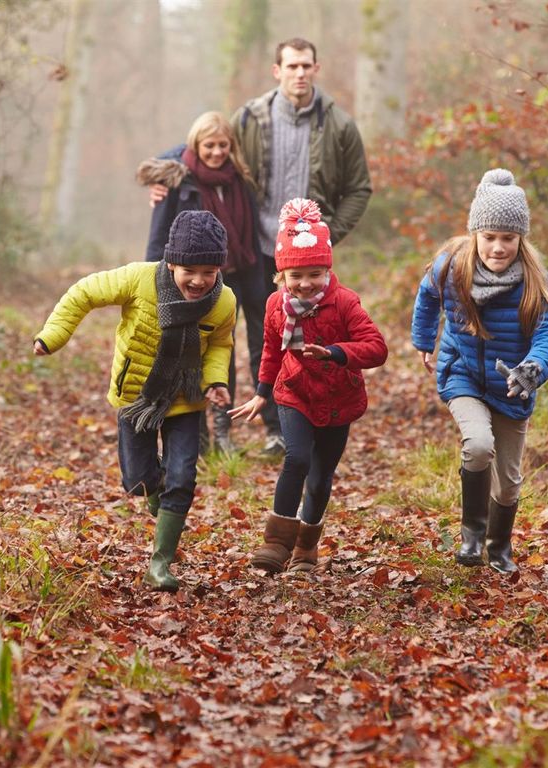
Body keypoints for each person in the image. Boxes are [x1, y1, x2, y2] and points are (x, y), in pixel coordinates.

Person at [151, 38, 373, 458]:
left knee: (286, 341)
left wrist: (327, 236)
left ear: (316, 68)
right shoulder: (250, 118)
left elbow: (360, 187)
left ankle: (282, 428)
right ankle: (222, 428)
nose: (300, 73)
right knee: (226, 337)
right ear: (278, 71)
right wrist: (164, 173)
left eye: (306, 65)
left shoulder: (339, 125)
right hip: (250, 250)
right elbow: (203, 144)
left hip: (303, 259)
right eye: (291, 66)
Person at [33, 210, 237, 592]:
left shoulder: (223, 301)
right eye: (190, 269)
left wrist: (215, 382)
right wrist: (53, 335)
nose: (199, 280)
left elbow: (220, 345)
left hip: (186, 400)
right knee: (139, 480)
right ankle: (164, 507)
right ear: (172, 261)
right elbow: (84, 293)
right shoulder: (138, 279)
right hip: (136, 398)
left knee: (183, 477)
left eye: (209, 271)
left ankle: (159, 565)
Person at [410, 169, 548, 575]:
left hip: (513, 386)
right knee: (478, 445)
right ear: (475, 233)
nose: (498, 247)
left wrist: (533, 369)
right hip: (461, 374)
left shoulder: (533, 281)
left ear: (520, 239)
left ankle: (499, 546)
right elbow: (426, 295)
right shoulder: (451, 268)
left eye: (508, 239)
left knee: (510, 481)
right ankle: (472, 536)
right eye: (489, 237)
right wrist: (425, 340)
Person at [229, 198, 387, 574]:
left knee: (319, 479)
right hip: (293, 392)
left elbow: (376, 348)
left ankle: (305, 548)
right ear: (281, 276)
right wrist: (262, 393)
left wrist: (335, 352)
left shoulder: (345, 303)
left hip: (337, 400)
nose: (304, 284)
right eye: (295, 276)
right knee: (296, 458)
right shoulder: (274, 306)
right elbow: (270, 349)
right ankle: (276, 543)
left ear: (327, 270)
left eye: (315, 274)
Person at [136, 111, 274, 455]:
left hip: (241, 275)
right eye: (209, 145)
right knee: (196, 354)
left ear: (231, 146)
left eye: (222, 145)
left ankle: (224, 430)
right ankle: (198, 437)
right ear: (196, 145)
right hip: (196, 282)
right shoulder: (177, 180)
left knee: (229, 350)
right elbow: (158, 238)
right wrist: (156, 282)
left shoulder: (239, 179)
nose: (216, 152)